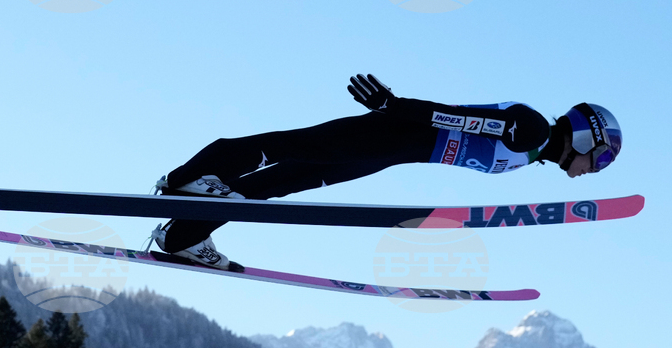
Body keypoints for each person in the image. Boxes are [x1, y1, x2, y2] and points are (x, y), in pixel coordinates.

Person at [152, 74, 624, 268]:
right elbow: (454, 118)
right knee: (286, 148)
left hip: (391, 151)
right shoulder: (533, 129)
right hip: (392, 135)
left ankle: (182, 237)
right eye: (599, 159)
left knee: (280, 179)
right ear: (585, 136)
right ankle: (185, 180)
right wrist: (393, 106)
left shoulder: (533, 149)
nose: (593, 170)